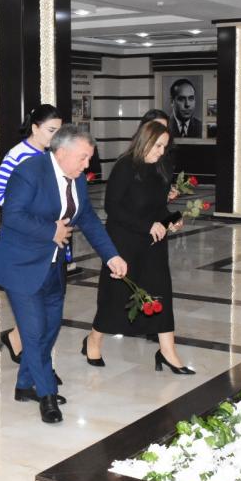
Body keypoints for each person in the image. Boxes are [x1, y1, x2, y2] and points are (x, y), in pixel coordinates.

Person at [0, 124, 128, 424]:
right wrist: (51, 231)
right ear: (62, 152)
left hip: (53, 266)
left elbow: (87, 218)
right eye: (83, 157)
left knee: (50, 328)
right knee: (34, 332)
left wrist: (112, 255)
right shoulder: (29, 171)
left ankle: (25, 385)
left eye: (89, 158)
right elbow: (12, 216)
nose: (87, 165)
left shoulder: (77, 179)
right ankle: (47, 395)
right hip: (20, 265)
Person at [83, 119, 194, 376]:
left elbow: (158, 207)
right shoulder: (125, 166)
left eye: (165, 147)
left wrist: (170, 221)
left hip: (153, 244)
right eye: (158, 146)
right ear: (145, 141)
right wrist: (147, 225)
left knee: (161, 292)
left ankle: (167, 351)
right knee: (116, 296)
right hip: (124, 242)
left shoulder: (162, 167)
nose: (161, 152)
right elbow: (112, 208)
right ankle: (93, 340)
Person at [0, 104, 62, 366]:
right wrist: (32, 214)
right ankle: (31, 360)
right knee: (34, 303)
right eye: (51, 130)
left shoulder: (50, 156)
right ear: (35, 128)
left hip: (48, 239)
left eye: (59, 131)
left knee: (41, 303)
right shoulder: (18, 155)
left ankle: (15, 340)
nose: (56, 136)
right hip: (27, 239)